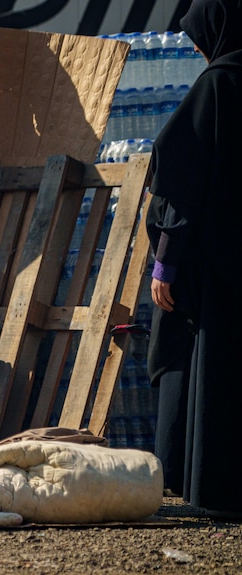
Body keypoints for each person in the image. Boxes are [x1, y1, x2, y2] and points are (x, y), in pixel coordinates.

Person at [147, 0, 242, 517]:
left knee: (205, 372)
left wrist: (166, 261)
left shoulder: (217, 86)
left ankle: (203, 492)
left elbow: (180, 182)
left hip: (212, 275)